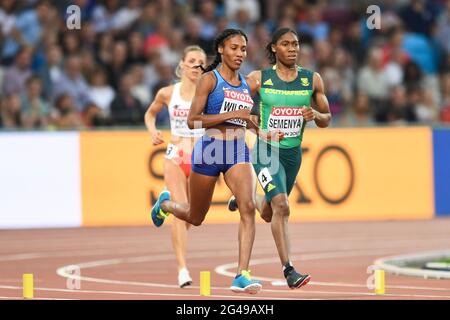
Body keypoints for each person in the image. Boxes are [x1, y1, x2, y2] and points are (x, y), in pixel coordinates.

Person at [150, 29, 283, 294]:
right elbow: (193, 120)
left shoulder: (245, 83)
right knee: (195, 217)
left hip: (237, 151)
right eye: (234, 48)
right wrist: (234, 113)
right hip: (210, 149)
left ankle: (242, 274)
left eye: (243, 49)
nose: (240, 54)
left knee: (247, 206)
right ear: (221, 49)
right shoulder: (209, 80)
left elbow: (245, 120)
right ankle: (165, 204)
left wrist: (264, 132)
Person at [228, 28, 332, 289]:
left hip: (292, 155)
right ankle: (289, 270)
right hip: (265, 151)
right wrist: (258, 127)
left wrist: (315, 116)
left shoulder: (312, 80)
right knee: (283, 206)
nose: (293, 48)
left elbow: (327, 118)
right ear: (274, 48)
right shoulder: (258, 79)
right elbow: (240, 108)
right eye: (286, 44)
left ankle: (247, 197)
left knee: (267, 212)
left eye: (296, 44)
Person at [144, 45, 207, 288]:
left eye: (201, 62)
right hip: (176, 156)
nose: (195, 65)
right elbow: (150, 114)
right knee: (182, 215)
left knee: (193, 217)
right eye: (191, 61)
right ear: (181, 64)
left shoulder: (210, 95)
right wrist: (153, 131)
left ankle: (163, 204)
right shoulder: (168, 93)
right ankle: (182, 269)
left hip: (203, 158)